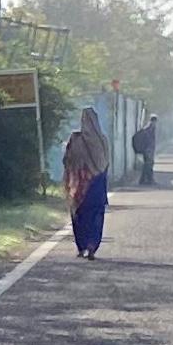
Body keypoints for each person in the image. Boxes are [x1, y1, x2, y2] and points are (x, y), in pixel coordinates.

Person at [63, 107, 110, 260]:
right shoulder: (103, 140)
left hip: (79, 187)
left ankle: (81, 246)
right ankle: (92, 246)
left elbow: (67, 161)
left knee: (79, 217)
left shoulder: (75, 140)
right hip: (97, 186)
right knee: (96, 217)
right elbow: (106, 163)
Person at [136, 115, 158, 186]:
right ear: (153, 121)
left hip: (149, 149)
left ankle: (144, 180)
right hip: (148, 149)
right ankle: (149, 180)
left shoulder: (149, 128)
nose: (155, 123)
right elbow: (148, 140)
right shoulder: (149, 129)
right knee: (148, 164)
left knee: (147, 165)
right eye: (154, 121)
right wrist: (148, 149)